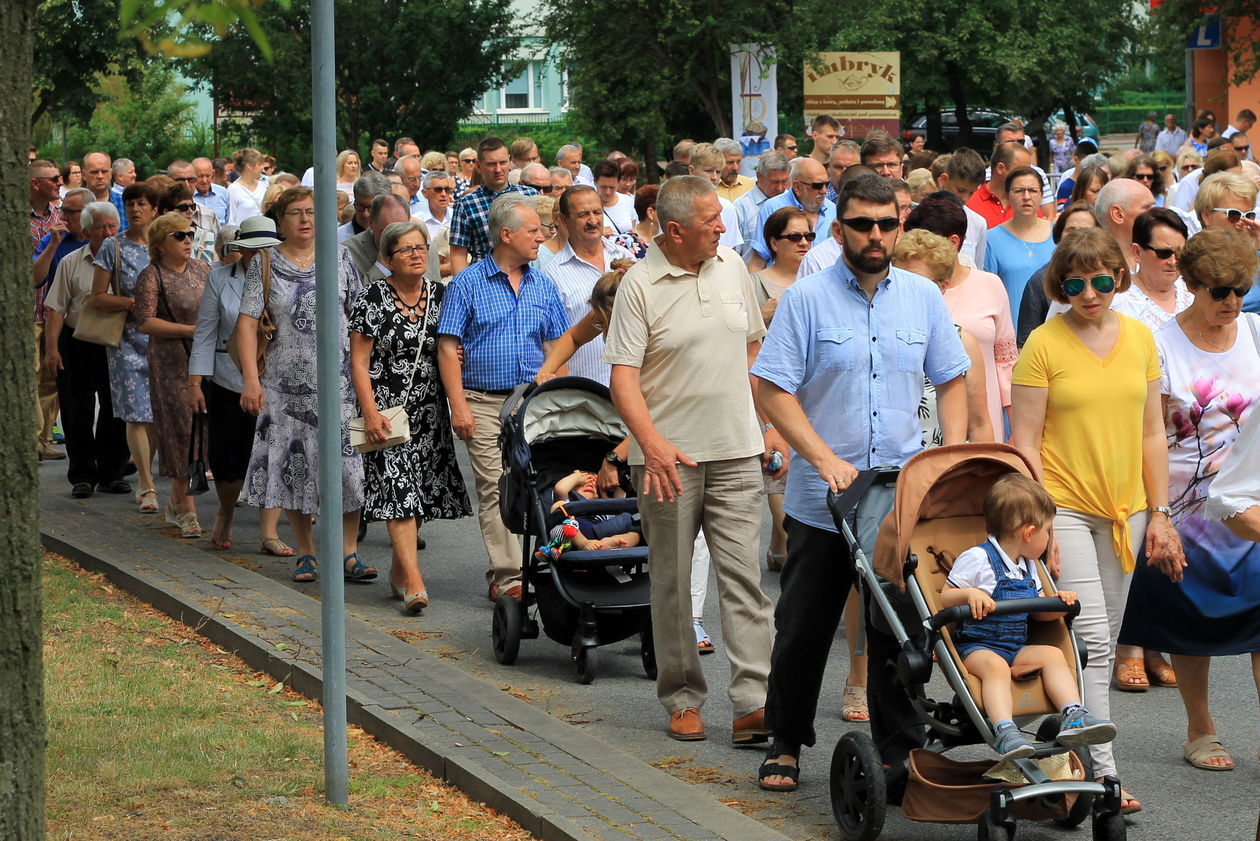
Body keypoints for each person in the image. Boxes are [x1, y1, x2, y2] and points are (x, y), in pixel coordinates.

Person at [752, 173, 970, 791]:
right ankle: (786, 741)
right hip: (824, 504)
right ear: (838, 227)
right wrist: (820, 457)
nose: (875, 235)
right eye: (862, 224)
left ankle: (899, 755)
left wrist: (950, 454)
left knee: (896, 631)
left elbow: (952, 376)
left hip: (898, 504)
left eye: (885, 224)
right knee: (803, 628)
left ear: (899, 227)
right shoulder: (805, 299)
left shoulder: (923, 298)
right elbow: (771, 387)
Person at [602, 175, 781, 743]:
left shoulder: (731, 266)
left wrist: (769, 424)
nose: (723, 229)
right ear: (674, 230)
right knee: (674, 584)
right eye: (711, 221)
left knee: (745, 581)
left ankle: (754, 701)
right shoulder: (639, 285)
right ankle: (681, 695)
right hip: (667, 461)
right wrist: (651, 444)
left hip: (735, 449)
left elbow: (753, 349)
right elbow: (622, 379)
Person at [1010, 226, 1182, 814]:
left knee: (1099, 644)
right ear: (1061, 284)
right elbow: (1024, 442)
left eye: (1102, 280)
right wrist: (1043, 523)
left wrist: (1160, 513)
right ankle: (1105, 777)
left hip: (1128, 510)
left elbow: (1152, 432)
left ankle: (1065, 756)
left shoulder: (1140, 338)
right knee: (1092, 642)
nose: (1090, 292)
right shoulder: (1043, 344)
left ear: (1119, 278)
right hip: (1064, 507)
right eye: (1077, 282)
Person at [1116, 227, 1260, 771]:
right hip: (1185, 511)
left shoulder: (1255, 332)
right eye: (1219, 291)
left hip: (1250, 508)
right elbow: (1146, 431)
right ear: (1193, 285)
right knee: (1191, 624)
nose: (1231, 302)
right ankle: (1201, 729)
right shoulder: (1158, 344)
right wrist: (1157, 515)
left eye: (1240, 291)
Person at [437, 193, 568, 602]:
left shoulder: (543, 284)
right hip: (483, 400)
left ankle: (545, 561)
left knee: (539, 484)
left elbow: (557, 347)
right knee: (495, 486)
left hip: (533, 402)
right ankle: (509, 575)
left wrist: (559, 401)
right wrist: (458, 405)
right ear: (506, 234)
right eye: (534, 230)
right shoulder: (466, 283)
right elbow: (447, 346)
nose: (542, 238)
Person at [236, 187, 371, 584]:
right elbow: (246, 323)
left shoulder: (341, 258)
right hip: (282, 389)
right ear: (281, 222)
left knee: (350, 471)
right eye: (295, 213)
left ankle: (348, 552)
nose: (306, 219)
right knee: (295, 470)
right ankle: (307, 553)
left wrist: (367, 378)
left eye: (312, 211)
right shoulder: (265, 263)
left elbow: (361, 320)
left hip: (340, 386)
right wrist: (250, 379)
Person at [942, 474, 1114, 758]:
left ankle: (1073, 714)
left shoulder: (1027, 566)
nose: (1049, 538)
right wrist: (968, 594)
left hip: (1015, 646)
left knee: (1052, 655)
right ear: (1029, 533)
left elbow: (1037, 614)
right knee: (995, 667)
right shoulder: (978, 558)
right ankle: (1005, 730)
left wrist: (1056, 603)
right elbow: (945, 597)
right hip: (977, 647)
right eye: (1048, 531)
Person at [349, 221, 472, 613]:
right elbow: (358, 360)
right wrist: (368, 411)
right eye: (406, 249)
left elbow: (451, 347)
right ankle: (415, 583)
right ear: (387, 259)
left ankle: (401, 569)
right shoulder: (372, 297)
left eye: (421, 247)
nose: (417, 254)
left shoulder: (442, 295)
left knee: (419, 493)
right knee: (398, 491)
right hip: (386, 411)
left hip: (430, 410)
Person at [188, 216, 298, 554]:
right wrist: (195, 382)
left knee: (275, 453)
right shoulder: (220, 278)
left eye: (265, 250)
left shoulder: (290, 276)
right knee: (228, 456)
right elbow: (205, 331)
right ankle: (225, 511)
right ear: (241, 251)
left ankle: (268, 532)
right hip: (227, 378)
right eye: (252, 251)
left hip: (279, 379)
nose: (259, 256)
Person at [905, 195, 1015, 437]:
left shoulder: (990, 284)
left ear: (953, 242)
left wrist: (1016, 431)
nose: (916, 244)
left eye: (925, 239)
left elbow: (1006, 363)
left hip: (983, 420)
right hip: (924, 423)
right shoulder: (909, 291)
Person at [43, 199, 130, 498]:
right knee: (76, 409)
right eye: (99, 228)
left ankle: (112, 472)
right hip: (77, 341)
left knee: (116, 408)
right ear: (86, 230)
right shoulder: (71, 262)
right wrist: (52, 349)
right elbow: (55, 308)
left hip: (117, 343)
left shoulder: (128, 262)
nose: (107, 233)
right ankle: (82, 475)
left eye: (112, 227)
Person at [134, 212, 211, 538]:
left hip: (204, 360)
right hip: (170, 363)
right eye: (178, 236)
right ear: (160, 244)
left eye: (189, 234)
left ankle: (176, 502)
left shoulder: (203, 269)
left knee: (201, 429)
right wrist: (189, 329)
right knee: (181, 429)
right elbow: (145, 321)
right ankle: (188, 510)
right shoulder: (152, 275)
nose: (187, 241)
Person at [91, 182, 160, 513]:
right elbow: (97, 297)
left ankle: (151, 473)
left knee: (156, 413)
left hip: (162, 339)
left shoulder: (165, 246)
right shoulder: (112, 247)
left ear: (155, 210)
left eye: (142, 204)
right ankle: (146, 484)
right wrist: (133, 303)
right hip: (126, 342)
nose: (135, 209)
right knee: (135, 412)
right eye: (131, 204)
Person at [891, 229, 995, 445]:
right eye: (900, 280)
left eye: (919, 282)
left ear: (942, 287)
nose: (908, 290)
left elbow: (979, 424)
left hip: (947, 469)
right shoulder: (877, 335)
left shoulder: (962, 342)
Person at [752, 207, 812, 574]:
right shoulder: (756, 282)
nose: (803, 243)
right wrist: (764, 313)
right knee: (778, 473)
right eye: (794, 237)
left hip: (808, 388)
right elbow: (742, 337)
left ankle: (778, 545)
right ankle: (787, 544)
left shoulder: (817, 281)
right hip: (768, 387)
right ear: (774, 242)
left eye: (808, 236)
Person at [542, 186, 633, 385]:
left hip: (633, 384)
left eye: (597, 212)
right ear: (564, 220)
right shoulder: (551, 274)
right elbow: (553, 340)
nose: (593, 221)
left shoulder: (626, 258)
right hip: (586, 391)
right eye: (583, 215)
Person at [449, 137, 539, 274]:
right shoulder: (466, 204)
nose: (498, 169)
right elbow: (458, 254)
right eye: (491, 164)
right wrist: (462, 288)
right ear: (479, 166)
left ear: (510, 162)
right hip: (483, 281)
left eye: (503, 162)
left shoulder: (530, 195)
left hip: (528, 278)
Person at [1016, 202, 1100, 345]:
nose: (1077, 237)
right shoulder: (1040, 281)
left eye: (1086, 231)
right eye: (1071, 230)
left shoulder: (1109, 277)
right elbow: (1025, 343)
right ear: (1059, 235)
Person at [29, 161, 69, 461]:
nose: (60, 182)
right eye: (54, 179)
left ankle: (44, 440)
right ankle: (31, 440)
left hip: (55, 309)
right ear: (35, 184)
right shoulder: (17, 219)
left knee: (50, 377)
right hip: (29, 310)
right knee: (30, 374)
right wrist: (51, 246)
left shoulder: (60, 214)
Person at [983, 167, 1056, 319]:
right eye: (1019, 191)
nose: (1026, 196)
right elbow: (987, 294)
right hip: (1012, 333)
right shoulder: (992, 238)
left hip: (1055, 330)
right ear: (1007, 196)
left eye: (1033, 190)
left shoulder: (1058, 234)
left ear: (1042, 195)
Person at [747, 157, 836, 270]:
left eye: (827, 184)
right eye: (817, 186)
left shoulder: (833, 209)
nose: (824, 190)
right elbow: (758, 259)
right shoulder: (773, 207)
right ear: (797, 187)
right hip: (780, 285)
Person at [967, 141, 1032, 229]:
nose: (1027, 176)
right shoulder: (970, 203)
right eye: (1021, 171)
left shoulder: (1029, 202)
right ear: (1000, 168)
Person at [592, 160, 638, 237]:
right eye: (603, 187)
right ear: (595, 182)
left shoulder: (628, 201)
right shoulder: (586, 204)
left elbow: (635, 230)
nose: (608, 192)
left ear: (618, 182)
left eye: (612, 187)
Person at [226, 148, 268, 225]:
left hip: (263, 234)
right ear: (249, 166)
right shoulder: (233, 189)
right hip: (243, 235)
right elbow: (230, 221)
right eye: (259, 164)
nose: (262, 168)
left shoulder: (263, 186)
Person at [714, 137, 754, 201]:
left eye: (738, 162)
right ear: (716, 161)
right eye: (730, 162)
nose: (735, 167)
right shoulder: (706, 188)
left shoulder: (750, 185)